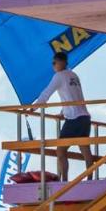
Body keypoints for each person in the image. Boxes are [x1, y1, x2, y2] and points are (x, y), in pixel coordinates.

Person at [34, 51, 94, 181]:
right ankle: (90, 179)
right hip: (84, 117)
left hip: (73, 119)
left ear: (60, 62)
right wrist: (63, 112)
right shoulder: (73, 75)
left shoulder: (59, 76)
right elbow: (72, 96)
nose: (53, 66)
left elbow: (46, 93)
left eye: (54, 63)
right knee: (85, 149)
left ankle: (64, 180)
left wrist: (33, 108)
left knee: (60, 151)